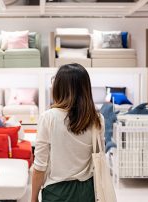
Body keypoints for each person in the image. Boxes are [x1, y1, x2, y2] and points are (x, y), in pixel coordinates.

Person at [31, 63, 104, 202]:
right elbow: (99, 158)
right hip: (87, 192)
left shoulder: (48, 118)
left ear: (59, 87)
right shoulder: (97, 119)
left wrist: (33, 198)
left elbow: (40, 166)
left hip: (57, 192)